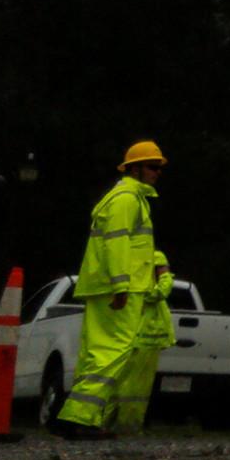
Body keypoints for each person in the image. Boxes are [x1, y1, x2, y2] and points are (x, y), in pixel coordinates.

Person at [51, 140, 165, 439]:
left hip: (106, 287)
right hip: (120, 290)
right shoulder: (127, 199)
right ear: (134, 168)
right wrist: (121, 286)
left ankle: (78, 418)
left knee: (96, 353)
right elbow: (117, 245)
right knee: (113, 351)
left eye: (159, 167)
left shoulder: (125, 198)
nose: (157, 172)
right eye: (152, 166)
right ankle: (80, 418)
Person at [110, 252, 178, 435]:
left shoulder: (122, 257)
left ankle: (110, 423)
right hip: (147, 333)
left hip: (128, 332)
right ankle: (127, 425)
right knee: (136, 386)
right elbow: (163, 289)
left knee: (119, 381)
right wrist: (154, 287)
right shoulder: (154, 256)